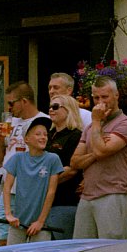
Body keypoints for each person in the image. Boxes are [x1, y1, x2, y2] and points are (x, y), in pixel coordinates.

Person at [70, 76, 127, 239]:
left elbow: (102, 151)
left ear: (116, 95)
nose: (100, 102)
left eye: (105, 97)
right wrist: (96, 151)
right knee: (82, 248)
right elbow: (75, 162)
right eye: (96, 98)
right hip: (87, 196)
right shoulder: (89, 128)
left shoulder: (126, 124)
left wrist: (96, 121)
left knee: (110, 248)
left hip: (112, 194)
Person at [4, 116, 63, 244]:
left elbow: (51, 192)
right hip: (18, 222)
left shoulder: (52, 159)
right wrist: (8, 214)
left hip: (42, 223)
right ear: (27, 139)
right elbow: (7, 187)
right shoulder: (17, 159)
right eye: (38, 134)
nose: (43, 137)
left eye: (45, 134)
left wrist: (40, 222)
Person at [45, 94, 84, 240]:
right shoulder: (48, 135)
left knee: (62, 243)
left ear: (68, 110)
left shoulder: (76, 135)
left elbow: (72, 169)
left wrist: (45, 183)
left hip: (65, 200)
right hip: (43, 202)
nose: (51, 110)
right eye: (50, 106)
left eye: (55, 107)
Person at [0, 81, 49, 168]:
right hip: (8, 175)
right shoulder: (10, 122)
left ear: (24, 101)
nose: (9, 107)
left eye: (11, 103)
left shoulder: (45, 121)